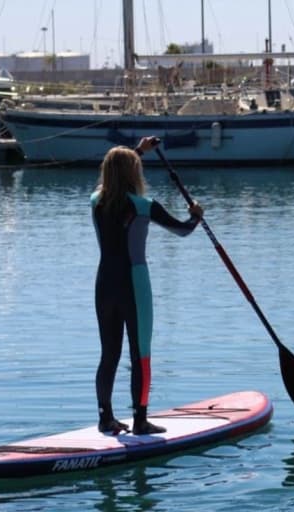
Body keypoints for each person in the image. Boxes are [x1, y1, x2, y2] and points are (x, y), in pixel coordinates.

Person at [91, 136, 204, 435]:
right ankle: (140, 420)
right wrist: (195, 217)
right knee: (140, 353)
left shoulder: (95, 202)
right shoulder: (145, 206)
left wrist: (138, 150)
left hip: (104, 285)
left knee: (109, 354)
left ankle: (106, 418)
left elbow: (117, 168)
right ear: (134, 173)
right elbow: (182, 231)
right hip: (134, 284)